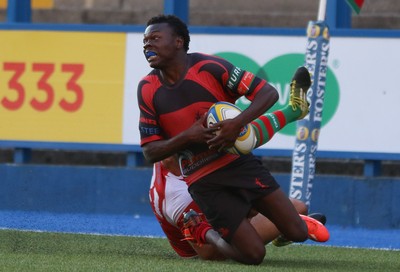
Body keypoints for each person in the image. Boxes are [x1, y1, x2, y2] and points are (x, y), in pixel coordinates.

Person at [138, 14, 328, 265]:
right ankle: (293, 112)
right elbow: (150, 152)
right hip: (202, 180)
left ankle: (293, 111)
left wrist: (236, 124)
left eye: (154, 38)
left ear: (178, 42)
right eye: (144, 41)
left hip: (237, 166)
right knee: (248, 254)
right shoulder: (147, 89)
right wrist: (187, 136)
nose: (147, 45)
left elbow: (266, 93)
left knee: (298, 227)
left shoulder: (209, 67)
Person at [149, 158, 327, 260]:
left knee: (298, 207)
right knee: (295, 211)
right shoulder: (173, 195)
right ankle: (284, 227)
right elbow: (208, 253)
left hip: (217, 212)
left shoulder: (197, 159)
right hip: (206, 246)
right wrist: (208, 234)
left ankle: (281, 230)